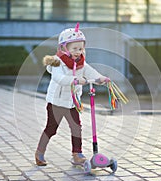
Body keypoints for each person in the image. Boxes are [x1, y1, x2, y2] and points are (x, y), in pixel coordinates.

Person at [35, 23, 109, 166]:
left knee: (76, 127)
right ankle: (40, 152)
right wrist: (75, 80)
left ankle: (77, 154)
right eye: (74, 48)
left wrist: (101, 79)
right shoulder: (58, 62)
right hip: (56, 102)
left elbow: (90, 72)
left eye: (80, 48)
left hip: (72, 102)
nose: (78, 51)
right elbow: (59, 78)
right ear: (64, 47)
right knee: (51, 128)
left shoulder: (81, 63)